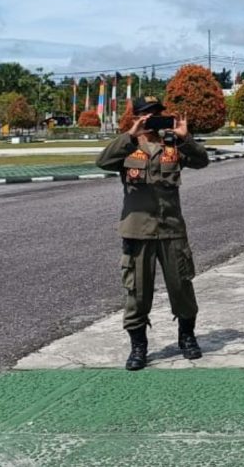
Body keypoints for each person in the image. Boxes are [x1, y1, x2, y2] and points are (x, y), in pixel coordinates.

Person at [95, 95, 210, 371]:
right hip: (138, 232)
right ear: (137, 118)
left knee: (181, 286)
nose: (153, 120)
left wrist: (185, 137)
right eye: (147, 115)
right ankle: (138, 346)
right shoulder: (127, 148)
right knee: (137, 292)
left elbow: (202, 161)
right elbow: (102, 161)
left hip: (171, 230)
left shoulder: (173, 146)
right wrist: (130, 135)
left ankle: (187, 337)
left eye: (158, 114)